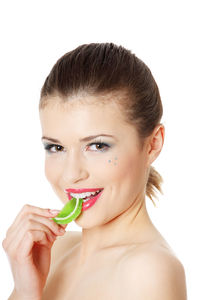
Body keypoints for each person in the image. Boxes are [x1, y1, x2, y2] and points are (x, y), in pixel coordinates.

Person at [2, 42, 187, 300]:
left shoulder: (148, 271)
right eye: (56, 147)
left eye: (97, 145)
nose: (70, 174)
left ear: (152, 144)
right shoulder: (55, 252)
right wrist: (25, 290)